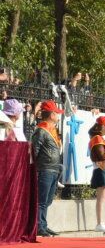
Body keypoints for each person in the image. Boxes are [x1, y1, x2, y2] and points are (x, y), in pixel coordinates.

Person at [30, 100, 64, 237]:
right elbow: (34, 151)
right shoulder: (41, 130)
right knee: (42, 200)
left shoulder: (52, 130)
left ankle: (43, 224)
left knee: (48, 200)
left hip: (54, 169)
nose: (58, 115)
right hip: (44, 170)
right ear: (51, 115)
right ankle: (39, 226)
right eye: (56, 113)